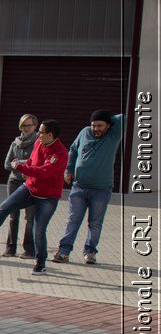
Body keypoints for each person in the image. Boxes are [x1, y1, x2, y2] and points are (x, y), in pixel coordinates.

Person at [0, 119, 68, 276]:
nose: (38, 135)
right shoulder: (38, 143)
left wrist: (21, 167)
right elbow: (31, 161)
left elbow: (43, 172)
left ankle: (40, 263)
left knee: (38, 230)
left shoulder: (60, 153)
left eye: (41, 132)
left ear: (50, 135)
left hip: (47, 197)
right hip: (29, 188)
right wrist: (25, 167)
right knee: (4, 207)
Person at [52, 109, 124, 265]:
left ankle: (90, 252)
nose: (96, 129)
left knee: (95, 223)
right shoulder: (85, 132)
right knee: (73, 220)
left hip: (101, 189)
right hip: (79, 187)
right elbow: (72, 150)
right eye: (93, 125)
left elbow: (123, 117)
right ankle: (64, 252)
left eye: (100, 125)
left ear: (109, 125)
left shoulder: (113, 135)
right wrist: (69, 169)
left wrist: (108, 118)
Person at [1, 114, 38, 258]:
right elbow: (6, 164)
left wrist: (18, 162)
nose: (26, 128)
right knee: (12, 216)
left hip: (30, 183)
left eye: (29, 125)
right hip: (14, 181)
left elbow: (35, 163)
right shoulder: (15, 143)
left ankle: (29, 249)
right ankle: (10, 248)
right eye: (23, 125)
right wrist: (24, 164)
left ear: (35, 126)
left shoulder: (38, 143)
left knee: (30, 217)